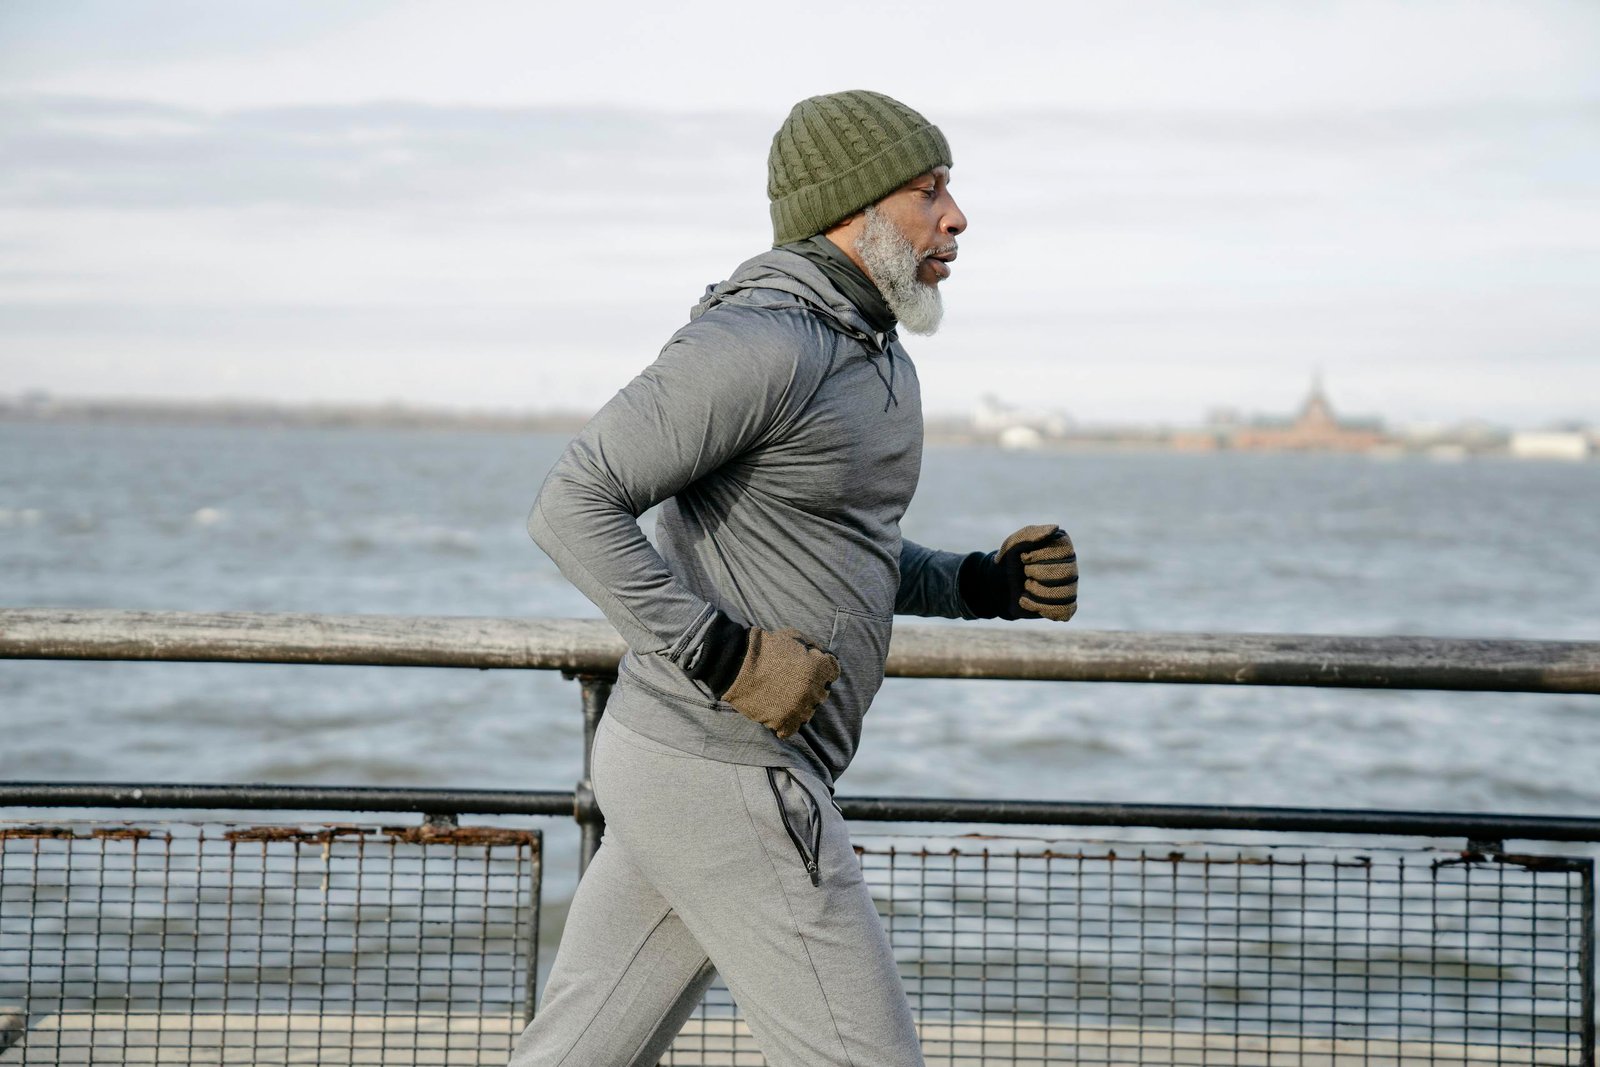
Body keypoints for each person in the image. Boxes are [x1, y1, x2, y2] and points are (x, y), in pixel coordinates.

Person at [508, 89, 1078, 1067]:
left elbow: (837, 551)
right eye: (928, 190)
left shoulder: (873, 354)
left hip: (692, 769)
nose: (956, 216)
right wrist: (721, 653)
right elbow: (572, 503)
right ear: (852, 209)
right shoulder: (760, 340)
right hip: (722, 761)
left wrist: (977, 581)